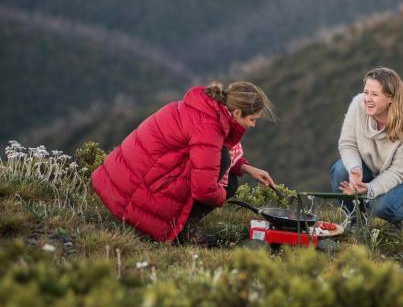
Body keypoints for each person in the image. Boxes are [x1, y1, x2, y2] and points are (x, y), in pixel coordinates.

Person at [91, 81, 277, 244]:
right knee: (225, 172)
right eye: (252, 119)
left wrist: (247, 168)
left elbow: (206, 156)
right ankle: (181, 229)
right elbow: (204, 187)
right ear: (237, 113)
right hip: (134, 189)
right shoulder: (209, 127)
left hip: (127, 177)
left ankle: (185, 221)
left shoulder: (208, 110)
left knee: (229, 178)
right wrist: (221, 197)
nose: (253, 125)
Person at [330, 67, 403, 231]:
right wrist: (355, 170)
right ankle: (356, 220)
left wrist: (370, 189)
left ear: (390, 98)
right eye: (366, 92)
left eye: (375, 94)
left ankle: (402, 218)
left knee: (378, 205)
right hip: (376, 168)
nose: (368, 99)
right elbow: (348, 144)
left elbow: (398, 172)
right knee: (340, 170)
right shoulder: (358, 105)